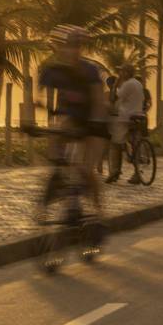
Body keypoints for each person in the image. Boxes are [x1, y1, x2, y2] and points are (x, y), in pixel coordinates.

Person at [37, 26, 108, 216]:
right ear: (57, 49)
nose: (70, 51)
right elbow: (37, 97)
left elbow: (99, 101)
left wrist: (96, 123)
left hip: (93, 121)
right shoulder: (52, 71)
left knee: (86, 169)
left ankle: (98, 211)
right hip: (70, 119)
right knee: (57, 134)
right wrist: (28, 120)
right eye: (65, 47)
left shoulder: (90, 70)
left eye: (74, 47)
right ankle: (58, 184)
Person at [106, 64, 145, 184]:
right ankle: (137, 173)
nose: (120, 74)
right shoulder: (138, 84)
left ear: (127, 73)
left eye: (122, 72)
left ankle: (114, 171)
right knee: (135, 144)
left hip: (125, 117)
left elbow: (114, 97)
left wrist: (116, 84)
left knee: (115, 143)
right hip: (138, 115)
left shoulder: (127, 84)